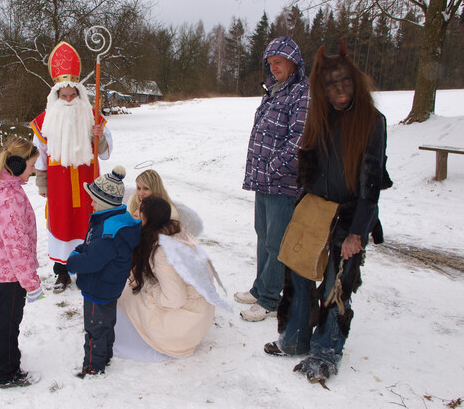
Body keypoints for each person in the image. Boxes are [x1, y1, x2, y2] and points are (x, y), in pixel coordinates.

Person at [263, 41, 386, 382]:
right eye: (331, 86)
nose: (340, 91)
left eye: (345, 83)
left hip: (348, 214)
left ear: (355, 82)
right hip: (314, 209)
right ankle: (294, 339)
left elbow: (371, 183)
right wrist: (302, 203)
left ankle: (326, 350)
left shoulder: (373, 122)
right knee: (298, 277)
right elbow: (309, 162)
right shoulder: (320, 115)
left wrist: (358, 232)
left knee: (337, 285)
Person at [237, 36, 310, 322]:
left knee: (276, 242)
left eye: (278, 62)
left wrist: (273, 167)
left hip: (283, 181)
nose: (274, 67)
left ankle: (269, 299)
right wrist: (261, 171)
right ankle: (260, 288)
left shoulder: (302, 92)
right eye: (270, 63)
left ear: (293, 61)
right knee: (263, 235)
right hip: (264, 179)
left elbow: (299, 140)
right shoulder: (275, 90)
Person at [30, 41, 113, 293]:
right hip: (59, 185)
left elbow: (107, 152)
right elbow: (40, 157)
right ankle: (62, 273)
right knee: (61, 223)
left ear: (79, 93)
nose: (67, 100)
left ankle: (88, 270)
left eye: (72, 95)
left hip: (88, 183)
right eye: (63, 96)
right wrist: (42, 185)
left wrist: (98, 135)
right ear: (56, 95)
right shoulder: (44, 121)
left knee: (88, 224)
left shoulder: (92, 116)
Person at [114, 196, 231, 362]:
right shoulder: (174, 233)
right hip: (199, 314)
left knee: (125, 294)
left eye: (140, 212)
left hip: (185, 325)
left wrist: (150, 290)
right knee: (132, 286)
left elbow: (175, 298)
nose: (134, 213)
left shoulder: (162, 252)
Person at [0, 137, 43, 388]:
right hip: (11, 271)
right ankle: (8, 372)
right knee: (8, 322)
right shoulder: (8, 196)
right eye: (32, 165)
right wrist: (30, 280)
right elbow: (17, 243)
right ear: (16, 164)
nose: (35, 170)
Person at [66, 166, 141, 378]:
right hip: (109, 285)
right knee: (106, 323)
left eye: (93, 200)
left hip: (98, 287)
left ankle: (92, 366)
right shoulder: (110, 221)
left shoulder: (109, 232)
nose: (90, 203)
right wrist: (80, 249)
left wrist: (72, 261)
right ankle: (105, 355)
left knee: (95, 328)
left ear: (104, 203)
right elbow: (90, 245)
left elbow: (92, 260)